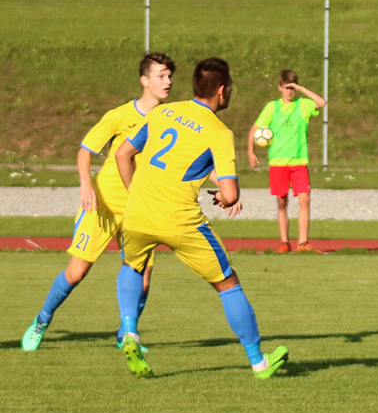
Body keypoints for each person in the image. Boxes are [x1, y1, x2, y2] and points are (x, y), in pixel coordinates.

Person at [113, 57, 288, 380]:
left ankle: (130, 332)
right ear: (222, 90)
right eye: (230, 86)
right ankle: (259, 363)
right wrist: (223, 197)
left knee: (132, 266)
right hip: (179, 219)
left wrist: (136, 193)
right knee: (227, 284)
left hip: (137, 212)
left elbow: (122, 154)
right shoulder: (219, 132)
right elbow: (230, 195)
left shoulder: (163, 112)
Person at [21, 53, 175, 352]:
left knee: (143, 280)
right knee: (76, 273)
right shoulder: (119, 115)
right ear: (144, 80)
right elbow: (85, 150)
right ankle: (42, 320)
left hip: (138, 211)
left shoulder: (169, 118)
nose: (167, 81)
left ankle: (126, 336)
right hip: (102, 206)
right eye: (160, 76)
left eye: (169, 76)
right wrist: (85, 184)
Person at [249, 69, 327, 253]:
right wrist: (251, 152)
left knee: (304, 200)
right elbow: (255, 129)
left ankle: (303, 243)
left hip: (298, 161)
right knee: (282, 202)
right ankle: (285, 242)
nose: (289, 91)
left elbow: (321, 103)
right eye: (287, 88)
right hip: (278, 162)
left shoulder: (303, 105)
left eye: (292, 88)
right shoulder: (272, 107)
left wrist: (301, 88)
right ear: (280, 88)